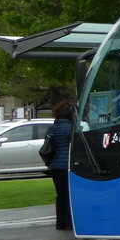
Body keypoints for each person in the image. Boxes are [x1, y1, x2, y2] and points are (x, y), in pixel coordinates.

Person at [48, 98, 75, 230]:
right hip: (68, 164)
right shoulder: (71, 128)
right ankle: (70, 222)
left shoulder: (52, 128)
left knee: (60, 194)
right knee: (69, 194)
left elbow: (48, 147)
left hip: (55, 165)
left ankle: (60, 222)